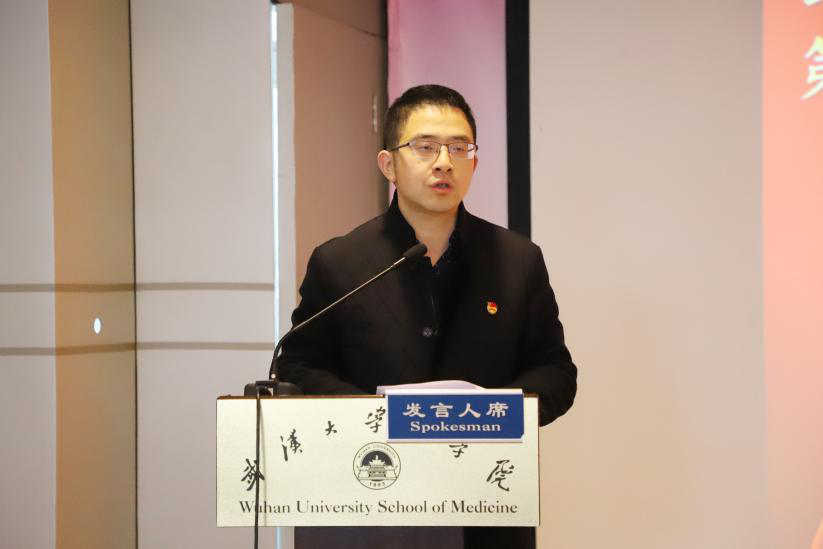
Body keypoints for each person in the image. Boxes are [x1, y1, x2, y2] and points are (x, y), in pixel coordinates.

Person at [276, 84, 577, 549]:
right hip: (370, 496)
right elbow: (297, 366)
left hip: (486, 506)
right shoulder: (340, 262)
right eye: (425, 147)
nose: (444, 162)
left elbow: (555, 370)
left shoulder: (518, 260)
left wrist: (495, 414)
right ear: (388, 165)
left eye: (459, 148)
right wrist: (377, 416)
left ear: (474, 162)